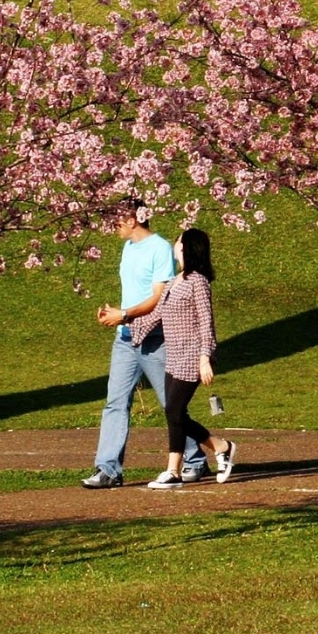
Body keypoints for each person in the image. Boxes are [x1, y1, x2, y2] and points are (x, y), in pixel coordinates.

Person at [82, 202, 207, 488]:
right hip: (125, 337)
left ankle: (195, 459)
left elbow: (158, 298)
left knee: (171, 403)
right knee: (115, 402)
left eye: (117, 220)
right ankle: (108, 470)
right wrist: (118, 314)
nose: (113, 226)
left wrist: (124, 314)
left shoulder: (160, 248)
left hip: (154, 338)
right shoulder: (129, 248)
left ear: (133, 220)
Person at [129, 228, 237, 489]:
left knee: (174, 411)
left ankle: (181, 467)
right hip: (174, 356)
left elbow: (206, 322)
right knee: (174, 413)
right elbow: (157, 315)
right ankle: (213, 450)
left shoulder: (198, 281)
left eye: (178, 241)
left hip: (191, 356)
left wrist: (205, 358)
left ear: (187, 247)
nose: (174, 245)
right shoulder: (176, 280)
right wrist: (125, 319)